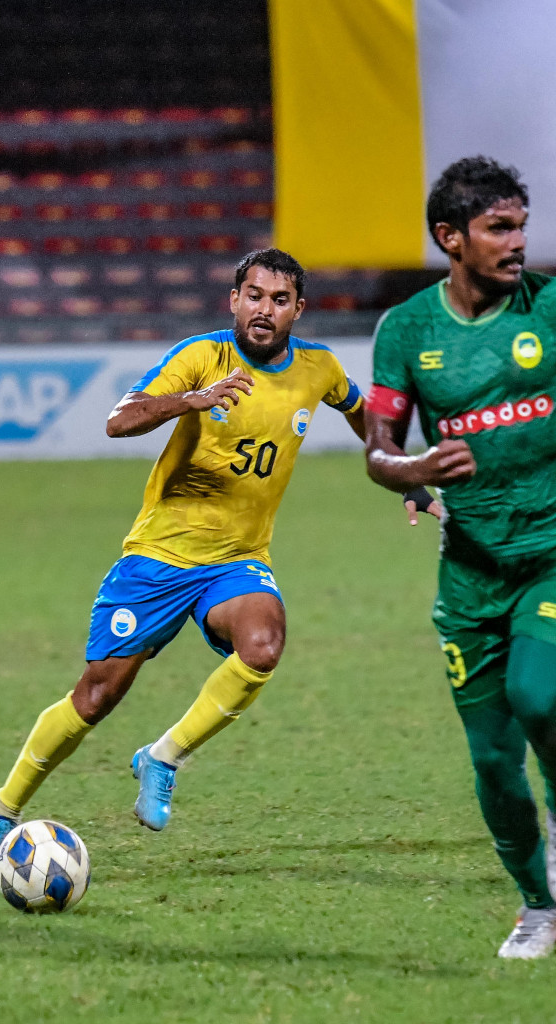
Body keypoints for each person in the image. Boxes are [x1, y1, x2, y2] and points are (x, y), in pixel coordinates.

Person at [0, 249, 365, 858]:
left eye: (280, 300)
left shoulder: (320, 368)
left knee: (262, 646)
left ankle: (163, 756)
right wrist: (194, 400)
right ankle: (4, 808)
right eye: (254, 295)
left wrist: (400, 470)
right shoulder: (202, 356)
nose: (265, 310)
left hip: (236, 561)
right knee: (95, 697)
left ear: (298, 310)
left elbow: (364, 413)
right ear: (234, 299)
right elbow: (118, 421)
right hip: (158, 558)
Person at [364, 157, 556, 959]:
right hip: (468, 575)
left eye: (521, 225)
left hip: (548, 553)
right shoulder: (405, 331)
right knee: (491, 759)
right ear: (451, 237)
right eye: (498, 228)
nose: (519, 243)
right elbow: (379, 449)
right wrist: (412, 472)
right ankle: (538, 906)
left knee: (538, 695)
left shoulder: (548, 309)